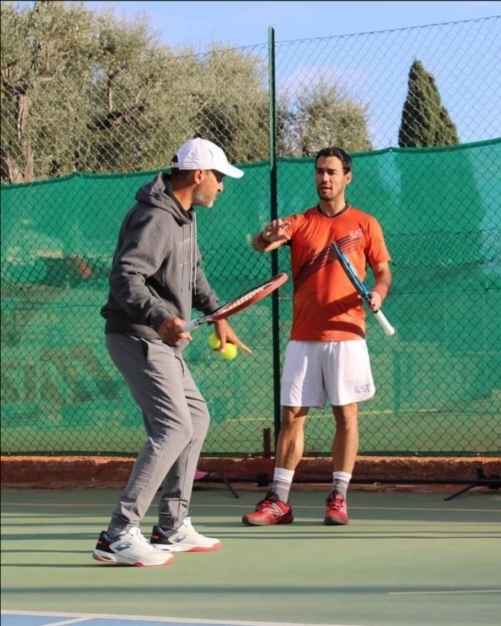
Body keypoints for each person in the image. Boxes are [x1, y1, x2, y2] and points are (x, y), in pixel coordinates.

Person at [93, 137, 251, 566]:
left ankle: (171, 525)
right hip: (137, 335)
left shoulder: (185, 217)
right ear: (198, 174)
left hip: (162, 339)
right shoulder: (155, 219)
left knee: (196, 417)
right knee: (172, 428)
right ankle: (118, 534)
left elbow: (194, 273)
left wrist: (218, 314)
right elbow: (127, 277)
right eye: (218, 177)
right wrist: (161, 316)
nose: (221, 186)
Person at [242, 146, 392, 527]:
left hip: (347, 333)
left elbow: (384, 274)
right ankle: (279, 501)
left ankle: (338, 497)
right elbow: (263, 244)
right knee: (292, 416)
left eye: (331, 172)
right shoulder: (299, 222)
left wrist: (377, 294)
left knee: (346, 415)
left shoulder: (366, 224)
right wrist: (265, 235)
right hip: (304, 335)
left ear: (347, 177)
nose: (324, 178)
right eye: (319, 172)